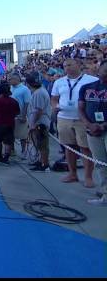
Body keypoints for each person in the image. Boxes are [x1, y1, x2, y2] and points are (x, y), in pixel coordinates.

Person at [51, 58, 98, 186]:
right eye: (65, 65)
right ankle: (73, 174)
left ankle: (88, 177)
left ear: (78, 65)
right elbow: (54, 98)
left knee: (85, 148)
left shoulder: (91, 80)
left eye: (70, 65)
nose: (67, 67)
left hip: (83, 119)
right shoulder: (59, 82)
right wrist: (55, 107)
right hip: (64, 118)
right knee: (69, 146)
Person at [77, 59, 107, 204]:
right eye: (105, 70)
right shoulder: (87, 87)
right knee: (100, 163)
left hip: (103, 129)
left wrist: (102, 126)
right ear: (99, 69)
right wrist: (89, 124)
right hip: (92, 131)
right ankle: (106, 194)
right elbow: (81, 108)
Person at [25, 72, 52, 172]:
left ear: (28, 83)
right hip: (39, 122)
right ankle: (41, 161)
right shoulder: (40, 91)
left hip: (40, 123)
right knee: (39, 144)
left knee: (42, 145)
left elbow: (38, 111)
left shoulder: (38, 93)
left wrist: (32, 124)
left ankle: (44, 164)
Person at [8, 73, 31, 160]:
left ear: (17, 79)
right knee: (11, 135)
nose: (9, 80)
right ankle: (12, 150)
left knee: (22, 135)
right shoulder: (10, 88)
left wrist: (23, 115)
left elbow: (27, 103)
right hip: (10, 115)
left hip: (20, 115)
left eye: (11, 79)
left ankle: (23, 151)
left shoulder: (24, 89)